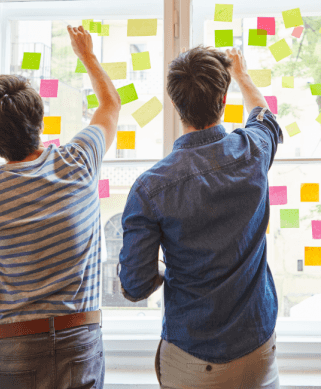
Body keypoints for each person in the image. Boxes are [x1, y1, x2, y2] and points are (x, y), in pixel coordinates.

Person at [0, 25, 120, 389]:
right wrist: (87, 55)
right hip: (81, 338)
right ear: (39, 119)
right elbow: (110, 105)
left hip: (14, 344)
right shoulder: (79, 160)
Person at [119, 46, 283, 389]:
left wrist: (169, 270)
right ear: (224, 99)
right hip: (258, 349)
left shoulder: (150, 187)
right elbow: (264, 115)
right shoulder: (253, 150)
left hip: (192, 357)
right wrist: (242, 75)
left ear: (175, 102)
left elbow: (134, 285)